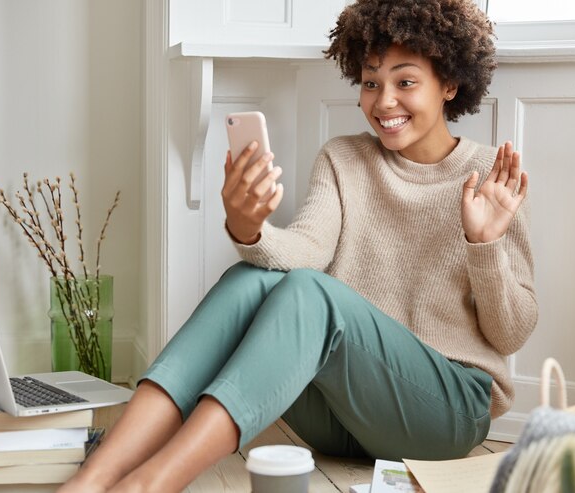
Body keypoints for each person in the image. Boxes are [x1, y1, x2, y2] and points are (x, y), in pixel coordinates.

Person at [59, 0, 537, 491]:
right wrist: (250, 228)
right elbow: (305, 249)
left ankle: (149, 485)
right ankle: (94, 477)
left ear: (451, 84)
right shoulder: (343, 158)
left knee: (310, 293)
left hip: (444, 413)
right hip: (342, 418)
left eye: (405, 81)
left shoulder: (490, 179)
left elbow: (512, 334)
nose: (384, 101)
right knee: (252, 278)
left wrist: (485, 244)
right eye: (371, 82)